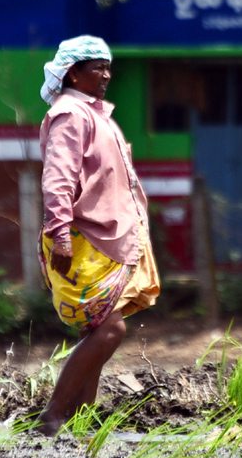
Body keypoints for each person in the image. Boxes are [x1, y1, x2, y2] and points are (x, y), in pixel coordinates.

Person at [35, 35, 160, 436]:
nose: (107, 75)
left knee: (96, 332)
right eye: (97, 68)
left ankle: (79, 422)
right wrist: (60, 233)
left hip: (110, 237)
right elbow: (58, 178)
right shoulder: (71, 114)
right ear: (73, 72)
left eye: (109, 67)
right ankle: (53, 415)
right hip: (86, 238)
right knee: (110, 330)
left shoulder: (94, 113)